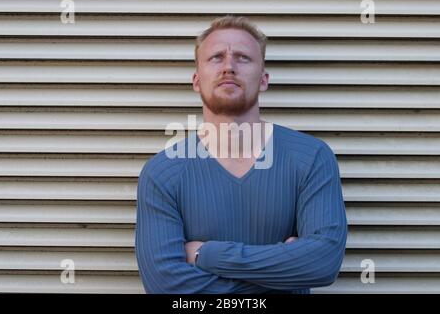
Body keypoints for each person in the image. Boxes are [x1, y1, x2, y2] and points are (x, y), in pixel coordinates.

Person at [135, 15, 347, 294]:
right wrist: (284, 272)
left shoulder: (311, 158)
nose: (229, 67)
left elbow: (323, 263)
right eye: (216, 57)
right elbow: (165, 286)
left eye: (243, 57)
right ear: (197, 81)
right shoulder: (162, 173)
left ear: (263, 80)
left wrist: (205, 255)